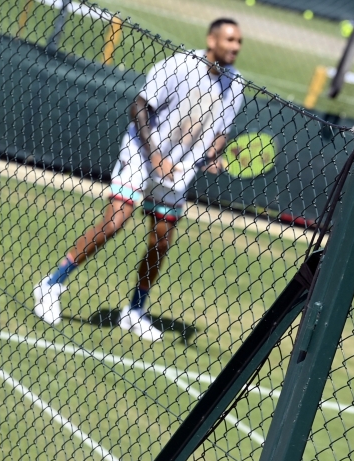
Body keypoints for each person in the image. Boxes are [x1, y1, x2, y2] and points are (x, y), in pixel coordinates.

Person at [33, 18, 244, 341]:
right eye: (230, 40)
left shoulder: (236, 84)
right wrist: (155, 155)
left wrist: (213, 156)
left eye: (239, 42)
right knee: (116, 221)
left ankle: (134, 311)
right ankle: (51, 284)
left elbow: (220, 132)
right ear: (212, 40)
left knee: (161, 240)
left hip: (178, 167)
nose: (235, 47)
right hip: (141, 154)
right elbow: (139, 106)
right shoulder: (181, 65)